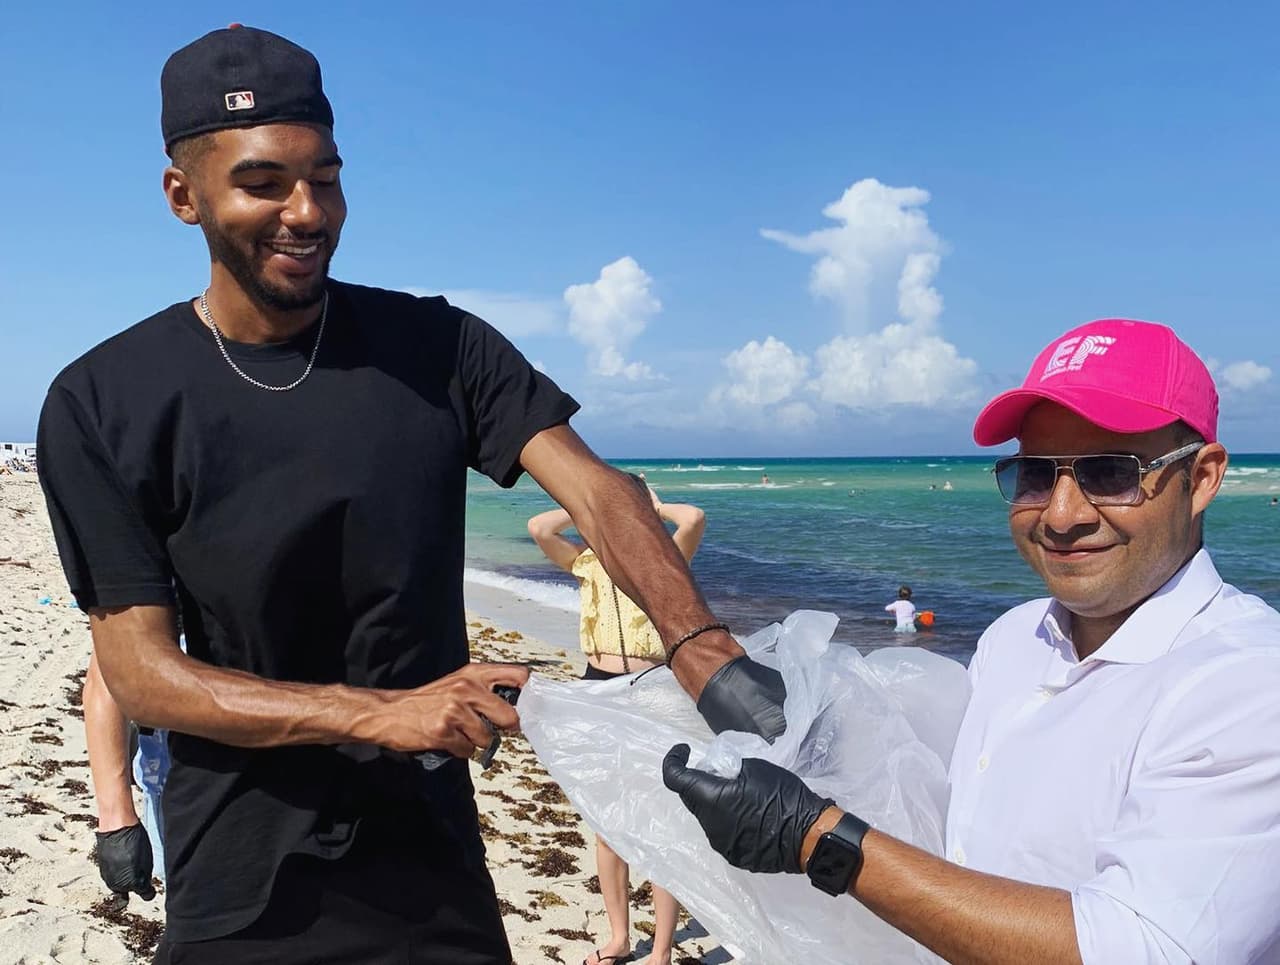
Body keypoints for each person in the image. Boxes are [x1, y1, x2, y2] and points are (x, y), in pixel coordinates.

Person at [37, 25, 784, 964]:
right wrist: (379, 711)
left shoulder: (439, 348)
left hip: (431, 859)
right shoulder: (102, 400)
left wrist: (699, 644)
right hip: (241, 872)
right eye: (265, 183)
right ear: (183, 196)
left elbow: (599, 493)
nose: (307, 212)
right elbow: (142, 672)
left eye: (327, 177)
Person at [662, 318, 1280, 963]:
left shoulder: (1246, 684)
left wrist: (821, 839)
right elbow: (940, 807)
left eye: (1109, 471)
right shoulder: (1015, 636)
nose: (1063, 515)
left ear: (1203, 478)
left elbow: (1143, 948)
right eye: (1036, 475)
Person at [529, 483, 706, 965]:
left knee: (660, 818)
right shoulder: (586, 564)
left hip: (652, 690)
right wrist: (586, 504)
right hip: (596, 687)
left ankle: (663, 949)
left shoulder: (663, 564)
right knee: (607, 822)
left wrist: (651, 507)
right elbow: (539, 528)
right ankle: (619, 937)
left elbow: (692, 518)